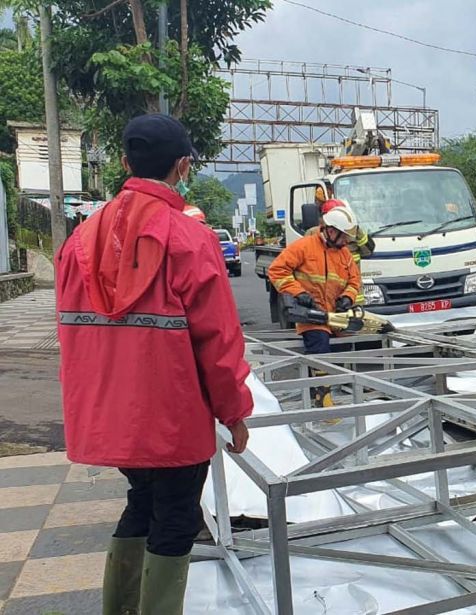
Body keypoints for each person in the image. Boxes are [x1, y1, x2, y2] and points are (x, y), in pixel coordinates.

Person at [56, 113, 253, 615]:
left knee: (142, 503)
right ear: (183, 167)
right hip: (173, 417)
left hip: (110, 415)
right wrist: (234, 413)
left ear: (125, 163)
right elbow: (219, 343)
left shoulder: (79, 241)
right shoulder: (190, 239)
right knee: (176, 519)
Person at [269, 205, 362, 356]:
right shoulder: (304, 246)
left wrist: (347, 297)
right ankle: (320, 373)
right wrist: (299, 293)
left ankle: (337, 373)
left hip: (337, 317)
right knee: (320, 348)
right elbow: (277, 270)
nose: (346, 241)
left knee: (343, 352)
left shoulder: (345, 254)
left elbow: (354, 280)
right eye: (344, 236)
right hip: (311, 316)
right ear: (331, 231)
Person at [305, 198, 375, 304]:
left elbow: (369, 251)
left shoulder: (352, 234)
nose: (344, 241)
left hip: (353, 299)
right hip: (327, 297)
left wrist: (355, 230)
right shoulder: (313, 233)